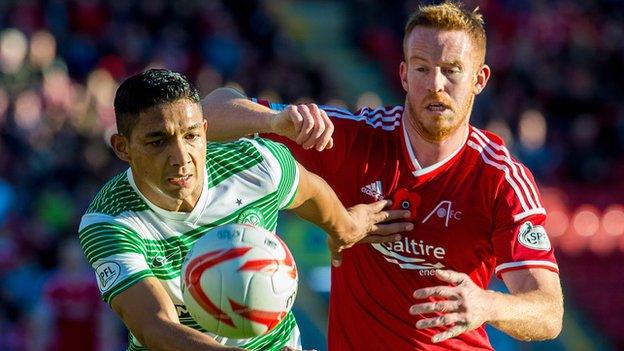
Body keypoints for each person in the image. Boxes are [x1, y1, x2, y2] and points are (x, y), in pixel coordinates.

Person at [203, 2, 564, 350]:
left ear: (479, 79)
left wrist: (488, 305)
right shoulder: (350, 138)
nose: (435, 84)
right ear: (404, 75)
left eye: (451, 69)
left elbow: (549, 312)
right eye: (422, 68)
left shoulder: (500, 179)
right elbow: (208, 113)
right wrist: (272, 121)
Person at [78, 69, 412, 351]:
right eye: (158, 141)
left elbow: (310, 191)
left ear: (206, 132)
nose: (181, 157)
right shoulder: (110, 221)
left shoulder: (256, 164)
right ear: (123, 148)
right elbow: (156, 327)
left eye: (191, 136)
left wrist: (347, 226)